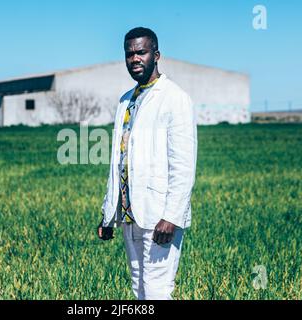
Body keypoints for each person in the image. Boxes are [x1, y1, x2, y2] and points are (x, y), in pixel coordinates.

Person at [97, 27, 198, 300]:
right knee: (139, 288)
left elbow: (184, 163)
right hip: (130, 215)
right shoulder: (125, 100)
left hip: (159, 216)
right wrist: (109, 214)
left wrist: (172, 216)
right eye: (129, 54)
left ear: (156, 55)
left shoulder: (174, 98)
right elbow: (119, 161)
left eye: (141, 52)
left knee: (157, 290)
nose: (135, 59)